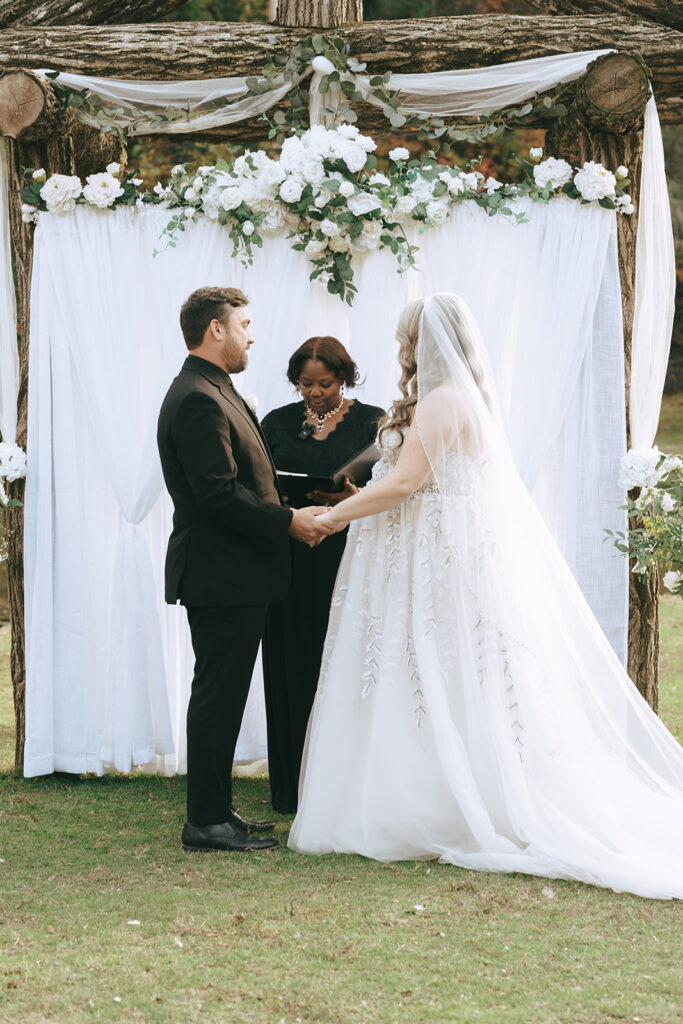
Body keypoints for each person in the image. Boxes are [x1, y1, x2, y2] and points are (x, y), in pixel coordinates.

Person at [288, 293, 683, 899]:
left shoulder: (446, 401)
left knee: (440, 666)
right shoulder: (444, 398)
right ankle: (421, 788)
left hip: (436, 557)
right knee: (423, 671)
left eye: (407, 341)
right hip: (417, 553)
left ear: (428, 343)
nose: (402, 351)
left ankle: (444, 801)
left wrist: (333, 516)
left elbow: (406, 483)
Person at [157, 286, 332, 853]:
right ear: (216, 330)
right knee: (217, 694)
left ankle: (215, 812)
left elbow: (253, 475)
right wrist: (287, 522)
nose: (251, 334)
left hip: (234, 572)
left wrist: (321, 493)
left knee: (225, 695)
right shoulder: (196, 398)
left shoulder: (214, 389)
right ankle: (204, 822)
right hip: (220, 573)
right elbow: (217, 495)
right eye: (245, 324)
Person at [261, 337, 384, 813]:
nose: (314, 393)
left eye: (325, 384)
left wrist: (349, 499)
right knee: (291, 664)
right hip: (289, 558)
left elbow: (390, 488)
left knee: (340, 662)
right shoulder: (274, 422)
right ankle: (291, 786)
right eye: (305, 383)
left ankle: (341, 785)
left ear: (345, 377)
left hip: (346, 559)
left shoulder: (373, 423)